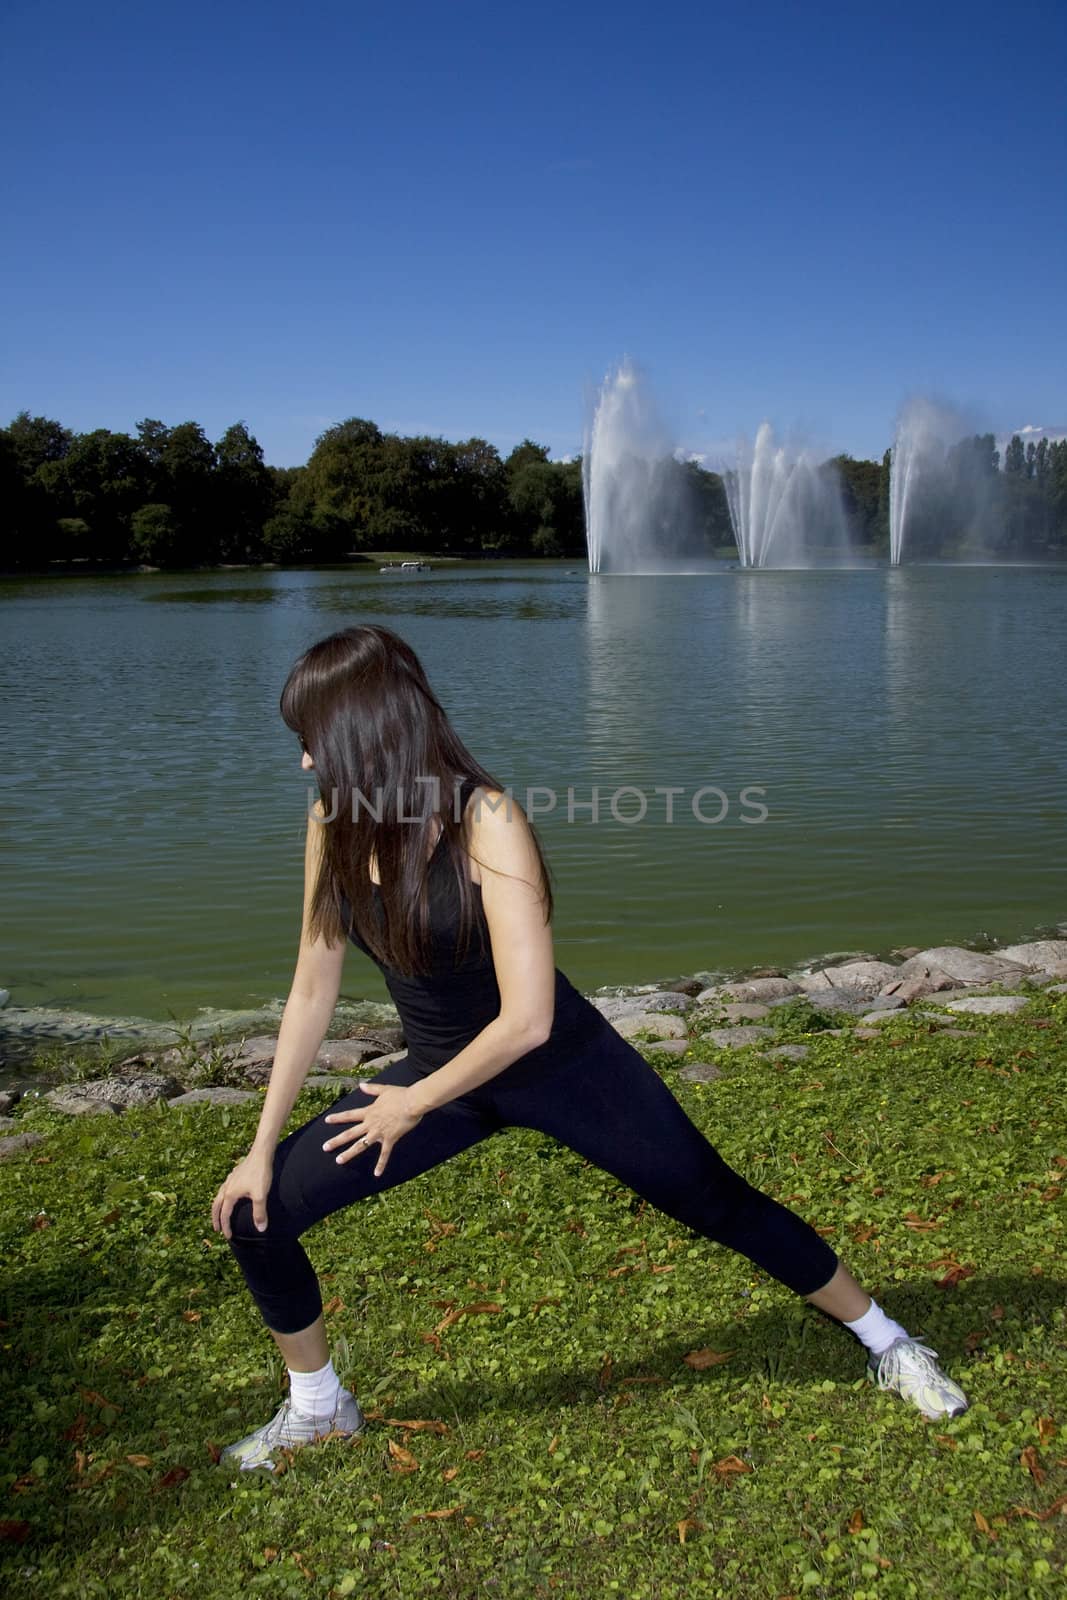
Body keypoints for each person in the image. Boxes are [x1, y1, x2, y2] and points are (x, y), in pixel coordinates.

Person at [211, 624, 968, 1471]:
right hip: (439, 1076)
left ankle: (887, 1338)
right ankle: (319, 1407)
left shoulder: (485, 820)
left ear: (361, 731)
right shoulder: (334, 823)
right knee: (257, 1210)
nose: (307, 763)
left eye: (311, 741)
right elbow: (312, 989)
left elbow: (527, 1018)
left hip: (558, 1065)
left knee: (714, 1200)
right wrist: (257, 1149)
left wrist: (410, 1105)